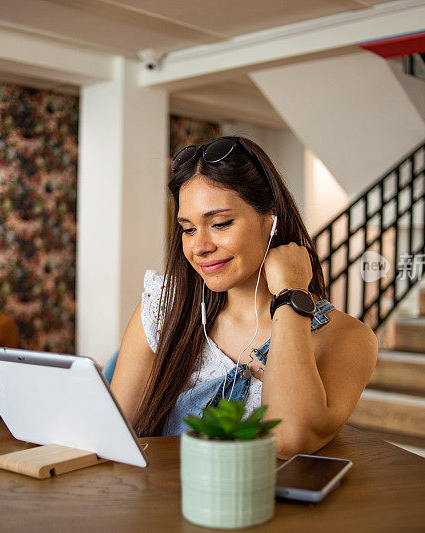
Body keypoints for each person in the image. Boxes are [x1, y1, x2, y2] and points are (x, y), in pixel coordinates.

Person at [111, 136, 377, 459]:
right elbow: (110, 436)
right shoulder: (162, 309)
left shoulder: (347, 338)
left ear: (271, 221)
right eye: (188, 229)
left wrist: (291, 293)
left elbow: (290, 439)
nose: (199, 247)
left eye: (220, 224)